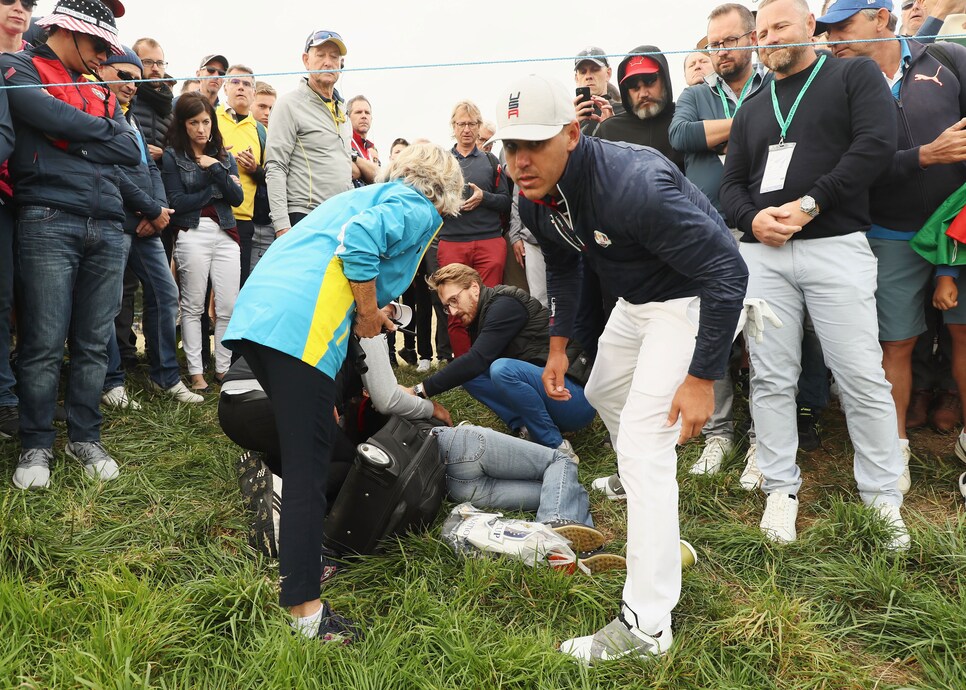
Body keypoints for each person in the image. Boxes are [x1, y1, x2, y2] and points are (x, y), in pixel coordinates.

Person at [488, 74, 748, 662]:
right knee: (606, 394)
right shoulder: (532, 194)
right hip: (637, 302)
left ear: (573, 133)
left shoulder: (636, 183)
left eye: (534, 143)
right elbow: (563, 265)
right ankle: (660, 524)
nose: (520, 160)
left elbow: (728, 271)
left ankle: (647, 626)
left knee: (640, 444)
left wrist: (702, 377)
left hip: (692, 297)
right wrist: (558, 345)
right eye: (510, 146)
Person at [222, 142, 464, 641]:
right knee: (311, 471)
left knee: (302, 453)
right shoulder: (416, 205)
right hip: (301, 331)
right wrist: (372, 311)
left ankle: (283, 529)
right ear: (445, 190)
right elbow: (359, 244)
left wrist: (378, 312)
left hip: (259, 317)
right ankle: (307, 614)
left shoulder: (362, 196)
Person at [719, 0, 909, 550]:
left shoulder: (851, 74)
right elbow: (731, 186)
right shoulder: (753, 106)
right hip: (765, 256)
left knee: (860, 376)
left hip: (836, 245)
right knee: (771, 376)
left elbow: (874, 147)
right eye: (760, 32)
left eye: (779, 26)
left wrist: (810, 204)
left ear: (809, 26)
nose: (768, 38)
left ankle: (881, 500)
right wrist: (752, 217)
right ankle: (781, 488)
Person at [823, 0, 966, 490]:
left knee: (965, 334)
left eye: (841, 26)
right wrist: (922, 157)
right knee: (896, 342)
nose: (830, 39)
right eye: (825, 30)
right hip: (888, 231)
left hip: (959, 228)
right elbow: (849, 169)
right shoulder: (838, 86)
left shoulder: (946, 59)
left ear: (880, 18)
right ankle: (895, 446)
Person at [2, 0, 140, 489]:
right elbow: (37, 112)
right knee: (42, 342)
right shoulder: (17, 63)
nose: (105, 56)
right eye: (99, 44)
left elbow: (130, 148)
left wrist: (66, 132)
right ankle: (35, 444)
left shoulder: (101, 83)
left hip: (106, 222)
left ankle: (86, 436)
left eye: (108, 47)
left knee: (91, 343)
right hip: (47, 216)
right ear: (68, 32)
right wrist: (84, 132)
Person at [98, 47, 203, 408]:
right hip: (115, 221)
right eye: (123, 76)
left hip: (147, 224)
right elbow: (109, 170)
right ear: (102, 71)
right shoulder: (97, 111)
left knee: (165, 293)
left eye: (134, 76)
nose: (131, 84)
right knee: (108, 303)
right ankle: (110, 382)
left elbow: (151, 170)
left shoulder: (131, 119)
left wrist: (159, 211)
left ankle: (166, 377)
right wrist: (150, 208)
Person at [417, 263, 596, 457]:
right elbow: (470, 366)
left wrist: (420, 390)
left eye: (454, 300)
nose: (452, 312)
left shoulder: (505, 303)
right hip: (550, 393)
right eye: (446, 306)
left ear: (474, 288)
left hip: (575, 398)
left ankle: (556, 448)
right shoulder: (481, 315)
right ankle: (527, 429)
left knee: (502, 369)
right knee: (467, 374)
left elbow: (477, 359)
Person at [161, 92, 244, 393]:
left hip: (226, 234)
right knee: (193, 306)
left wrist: (215, 167)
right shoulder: (172, 156)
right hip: (191, 232)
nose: (201, 129)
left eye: (206, 121)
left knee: (228, 306)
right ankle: (196, 372)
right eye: (194, 122)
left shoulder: (223, 156)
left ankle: (223, 369)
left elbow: (237, 197)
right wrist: (215, 187)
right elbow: (176, 202)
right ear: (183, 125)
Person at [265, 30, 352, 238]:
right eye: (320, 55)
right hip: (305, 217)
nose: (328, 62)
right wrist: (282, 226)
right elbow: (275, 165)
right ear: (306, 60)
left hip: (341, 219)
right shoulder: (289, 104)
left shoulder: (343, 111)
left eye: (334, 57)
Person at [0, 0, 29, 441]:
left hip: (24, 197)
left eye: (29, 2)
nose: (20, 7)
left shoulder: (35, 63)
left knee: (15, 300)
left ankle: (13, 398)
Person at [595, 47, 685, 172]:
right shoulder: (609, 131)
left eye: (649, 81)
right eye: (633, 85)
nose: (643, 93)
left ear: (664, 80)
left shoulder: (685, 120)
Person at [217, 64, 267, 283]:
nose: (241, 88)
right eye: (235, 82)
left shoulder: (261, 130)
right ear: (225, 87)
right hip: (211, 213)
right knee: (204, 289)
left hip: (244, 219)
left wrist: (255, 169)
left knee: (238, 285)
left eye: (246, 84)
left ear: (253, 93)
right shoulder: (210, 116)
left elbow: (271, 176)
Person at [347, 95, 380, 187]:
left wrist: (355, 159)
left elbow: (380, 177)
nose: (364, 116)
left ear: (371, 119)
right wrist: (368, 171)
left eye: (367, 113)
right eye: (358, 112)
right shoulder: (344, 142)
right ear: (348, 118)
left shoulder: (372, 151)